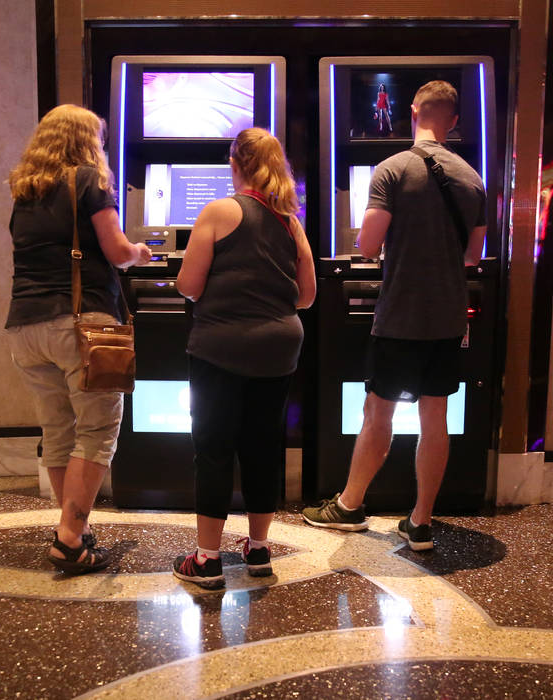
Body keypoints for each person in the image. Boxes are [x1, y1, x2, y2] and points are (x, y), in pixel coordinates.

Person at [302, 81, 487, 551]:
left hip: (401, 315)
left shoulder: (392, 169)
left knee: (377, 413)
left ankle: (348, 506)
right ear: (455, 121)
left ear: (411, 112)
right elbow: (474, 254)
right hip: (448, 318)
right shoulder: (472, 178)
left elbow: (365, 244)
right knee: (436, 418)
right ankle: (421, 522)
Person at [5, 104, 151, 574]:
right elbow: (117, 250)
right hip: (81, 326)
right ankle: (69, 539)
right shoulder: (89, 180)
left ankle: (77, 530)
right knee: (97, 430)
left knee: (57, 432)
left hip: (25, 328)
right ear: (87, 140)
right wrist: (141, 252)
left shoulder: (25, 191)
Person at [172, 127, 316, 589]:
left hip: (221, 346)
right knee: (262, 447)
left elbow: (188, 285)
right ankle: (257, 551)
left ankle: (208, 559)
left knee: (214, 449)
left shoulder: (218, 211)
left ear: (234, 165)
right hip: (279, 348)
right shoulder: (290, 222)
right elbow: (308, 296)